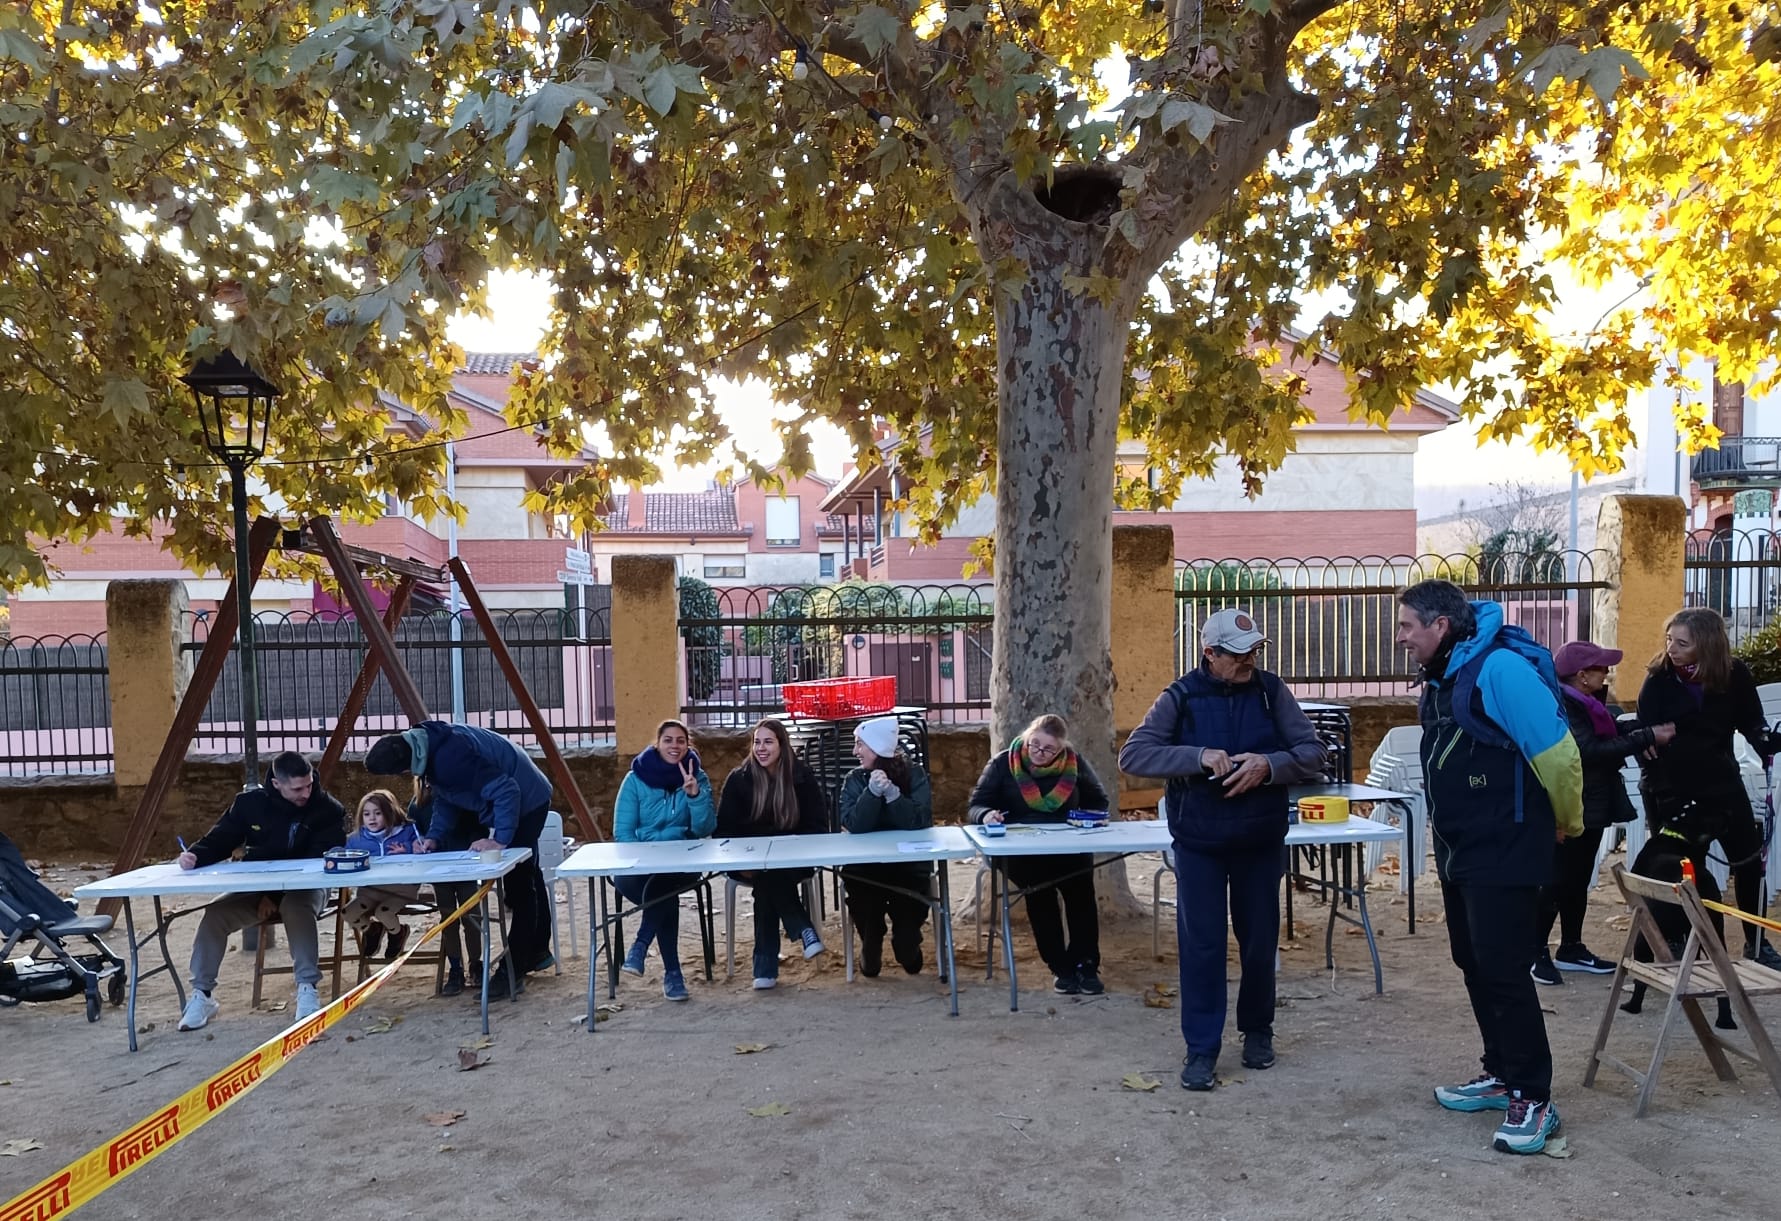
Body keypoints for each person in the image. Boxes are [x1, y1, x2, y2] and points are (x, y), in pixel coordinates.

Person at [1396, 579, 1582, 1156]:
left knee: (1503, 968)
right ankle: (1502, 1073)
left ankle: (1535, 1096)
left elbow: (1559, 753)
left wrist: (1567, 822)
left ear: (1440, 626)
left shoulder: (1499, 670)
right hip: (1461, 849)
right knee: (1473, 961)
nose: (1400, 637)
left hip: (1507, 845)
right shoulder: (1442, 676)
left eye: (1406, 626)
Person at [1120, 609, 1325, 1092]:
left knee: (1259, 942)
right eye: (1237, 654)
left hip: (1260, 840)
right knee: (1203, 946)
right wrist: (1197, 756)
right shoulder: (1180, 696)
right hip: (1200, 844)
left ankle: (1258, 1031)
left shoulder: (1272, 692)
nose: (1249, 660)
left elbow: (1314, 752)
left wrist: (1269, 765)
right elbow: (1134, 754)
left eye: (1254, 650)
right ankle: (1201, 1049)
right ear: (1209, 653)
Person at [365, 721, 555, 999]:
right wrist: (434, 837)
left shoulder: (449, 756)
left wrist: (500, 840)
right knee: (528, 877)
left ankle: (513, 971)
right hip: (522, 790)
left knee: (520, 883)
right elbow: (447, 796)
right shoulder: (427, 746)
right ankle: (536, 951)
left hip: (528, 799)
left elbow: (507, 790)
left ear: (404, 766)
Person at [1636, 607, 1781, 969]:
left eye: (1682, 643)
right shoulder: (1658, 680)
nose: (1671, 648)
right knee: (1679, 870)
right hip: (1671, 789)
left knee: (1749, 864)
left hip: (1722, 785)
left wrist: (1765, 739)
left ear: (1707, 644)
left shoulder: (1734, 674)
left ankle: (1756, 942)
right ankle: (1676, 941)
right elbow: (1645, 744)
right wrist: (1666, 795)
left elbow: (1751, 721)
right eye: (1669, 639)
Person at [1531, 641, 1674, 985]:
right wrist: (1647, 736)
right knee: (1557, 879)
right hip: (1572, 803)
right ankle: (1534, 952)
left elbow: (1611, 729)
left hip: (1593, 801)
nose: (1607, 673)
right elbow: (1588, 750)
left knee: (1578, 878)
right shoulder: (1565, 705)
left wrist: (1642, 728)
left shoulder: (1589, 703)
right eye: (1601, 669)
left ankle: (1571, 947)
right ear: (1582, 675)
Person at [175, 751, 347, 1031]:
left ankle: (307, 988)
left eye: (309, 785)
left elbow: (317, 862)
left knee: (295, 907)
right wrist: (195, 856)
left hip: (308, 886)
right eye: (298, 789)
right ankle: (202, 994)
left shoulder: (328, 809)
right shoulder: (249, 804)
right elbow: (221, 837)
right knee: (216, 913)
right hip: (257, 888)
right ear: (277, 784)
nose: (306, 793)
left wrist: (274, 896)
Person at [970, 714, 1110, 994]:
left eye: (1048, 749)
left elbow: (1099, 801)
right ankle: (1060, 967)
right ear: (1026, 737)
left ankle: (1086, 964)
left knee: (1081, 891)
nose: (1039, 753)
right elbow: (976, 805)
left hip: (1067, 846)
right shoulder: (1003, 763)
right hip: (1019, 851)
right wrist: (987, 815)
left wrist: (1086, 817)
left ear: (1061, 749)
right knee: (1040, 892)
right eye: (1034, 744)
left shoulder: (1074, 763)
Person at [716, 718, 829, 989]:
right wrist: (746, 858)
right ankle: (803, 929)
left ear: (782, 745)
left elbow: (817, 826)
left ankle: (765, 969)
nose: (761, 748)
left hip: (794, 861)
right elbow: (723, 831)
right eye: (757, 742)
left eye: (768, 742)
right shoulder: (739, 779)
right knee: (767, 877)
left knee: (768, 881)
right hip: (748, 862)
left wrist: (789, 847)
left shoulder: (801, 777)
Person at [612, 719, 715, 1002]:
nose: (674, 746)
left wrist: (694, 796)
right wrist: (646, 860)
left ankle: (641, 947)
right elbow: (623, 832)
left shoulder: (697, 777)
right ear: (657, 744)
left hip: (682, 864)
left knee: (663, 888)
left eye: (681, 740)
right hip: (638, 866)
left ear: (688, 745)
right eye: (668, 740)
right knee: (664, 896)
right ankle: (672, 974)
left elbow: (705, 829)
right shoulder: (635, 779)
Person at [839, 716, 934, 977]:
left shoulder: (914, 775)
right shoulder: (854, 780)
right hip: (865, 868)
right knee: (866, 908)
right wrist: (871, 794)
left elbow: (919, 820)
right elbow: (853, 824)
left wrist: (894, 796)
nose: (855, 751)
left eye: (860, 744)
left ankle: (907, 947)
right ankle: (870, 944)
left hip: (909, 867)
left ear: (877, 747)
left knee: (907, 932)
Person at [410, 780, 481, 997]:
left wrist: (477, 843)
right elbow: (414, 833)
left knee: (472, 917)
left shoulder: (465, 796)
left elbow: (479, 827)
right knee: (448, 919)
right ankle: (455, 967)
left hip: (466, 868)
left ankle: (476, 964)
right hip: (438, 871)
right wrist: (417, 843)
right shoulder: (418, 804)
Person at [342, 790, 422, 961]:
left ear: (390, 813)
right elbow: (343, 857)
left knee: (383, 912)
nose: (372, 818)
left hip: (401, 890)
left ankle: (398, 934)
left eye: (378, 813)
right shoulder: (356, 839)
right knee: (348, 913)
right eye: (366, 814)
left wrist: (408, 849)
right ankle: (372, 930)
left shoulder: (407, 831)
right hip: (369, 890)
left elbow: (423, 849)